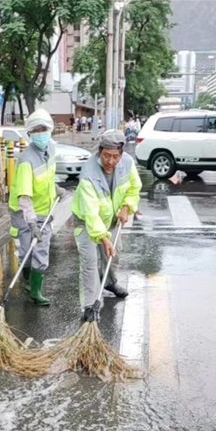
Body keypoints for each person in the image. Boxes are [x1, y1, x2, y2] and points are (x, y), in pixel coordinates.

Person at [71, 130, 142, 321]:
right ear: (99, 151)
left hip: (111, 218)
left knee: (112, 253)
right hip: (86, 221)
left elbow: (135, 188)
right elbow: (91, 212)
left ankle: (109, 282)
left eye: (115, 156)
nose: (110, 161)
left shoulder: (127, 163)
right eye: (106, 156)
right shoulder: (88, 173)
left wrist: (127, 207)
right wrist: (102, 238)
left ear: (121, 153)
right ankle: (89, 306)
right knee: (90, 262)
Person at [8, 109, 67, 306]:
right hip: (25, 212)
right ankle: (26, 281)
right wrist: (32, 223)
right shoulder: (26, 161)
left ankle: (35, 291)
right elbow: (25, 197)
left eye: (44, 129)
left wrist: (56, 188)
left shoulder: (50, 149)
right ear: (30, 134)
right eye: (37, 130)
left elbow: (48, 177)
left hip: (44, 210)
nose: (41, 133)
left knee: (41, 250)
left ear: (50, 130)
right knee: (27, 249)